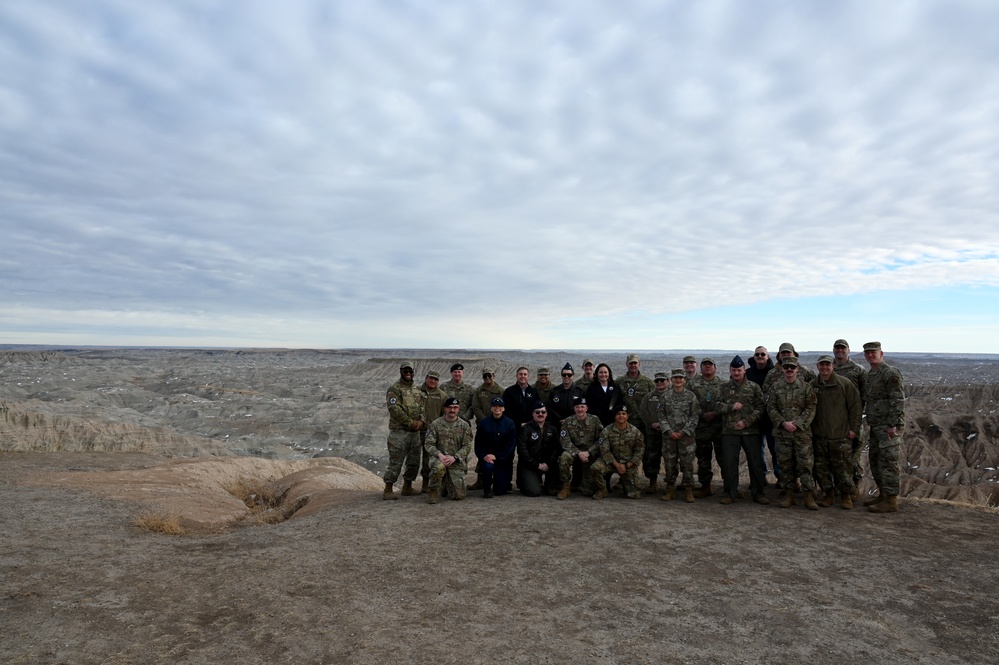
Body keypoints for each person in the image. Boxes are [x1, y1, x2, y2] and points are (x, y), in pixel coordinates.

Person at [715, 356, 768, 505]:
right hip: (730, 432)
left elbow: (761, 407)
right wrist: (730, 407)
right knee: (730, 464)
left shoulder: (754, 387)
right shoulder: (723, 387)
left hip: (750, 431)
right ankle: (730, 493)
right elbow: (717, 406)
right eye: (734, 370)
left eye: (739, 370)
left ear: (744, 370)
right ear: (730, 371)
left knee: (755, 463)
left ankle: (758, 493)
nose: (736, 373)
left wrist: (747, 422)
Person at [812, 355, 863, 509]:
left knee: (843, 469)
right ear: (817, 366)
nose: (824, 368)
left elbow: (856, 407)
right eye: (822, 365)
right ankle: (829, 494)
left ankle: (846, 496)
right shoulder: (812, 385)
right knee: (822, 468)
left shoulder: (844, 384)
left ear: (832, 366)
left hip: (840, 436)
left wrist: (854, 429)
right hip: (820, 435)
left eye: (827, 365)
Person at [767, 357, 819, 510]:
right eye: (786, 367)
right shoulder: (775, 388)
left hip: (802, 434)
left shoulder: (806, 388)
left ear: (797, 369)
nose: (789, 370)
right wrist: (783, 422)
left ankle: (808, 495)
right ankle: (789, 494)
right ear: (782, 369)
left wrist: (798, 424)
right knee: (786, 465)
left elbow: (811, 408)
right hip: (783, 434)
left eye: (792, 367)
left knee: (806, 465)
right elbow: (771, 408)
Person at [863, 342, 906, 513]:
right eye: (868, 353)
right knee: (876, 461)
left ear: (882, 353)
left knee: (888, 463)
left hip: (888, 427)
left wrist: (892, 424)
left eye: (874, 352)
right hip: (876, 426)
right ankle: (883, 494)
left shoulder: (889, 373)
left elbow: (897, 400)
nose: (871, 355)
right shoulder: (872, 374)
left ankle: (891, 500)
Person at [383, 361, 425, 500]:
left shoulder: (416, 389)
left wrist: (421, 421)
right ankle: (388, 489)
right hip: (399, 432)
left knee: (413, 462)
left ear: (413, 372)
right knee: (396, 461)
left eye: (410, 371)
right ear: (401, 371)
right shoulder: (394, 389)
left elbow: (422, 407)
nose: (408, 374)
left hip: (415, 433)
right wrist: (410, 422)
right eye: (405, 371)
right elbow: (394, 409)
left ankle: (407, 486)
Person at [832, 339, 869, 492]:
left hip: (852, 420)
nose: (840, 351)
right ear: (833, 350)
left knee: (854, 456)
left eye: (843, 348)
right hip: (833, 421)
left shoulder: (857, 370)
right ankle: (838, 489)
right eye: (837, 348)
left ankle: (855, 489)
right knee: (836, 456)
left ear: (848, 350)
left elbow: (865, 395)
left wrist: (856, 417)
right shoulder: (829, 368)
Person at [658, 369, 699, 503]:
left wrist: (683, 431)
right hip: (669, 437)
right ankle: (670, 489)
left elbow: (694, 416)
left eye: (680, 378)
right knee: (670, 463)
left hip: (686, 437)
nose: (678, 380)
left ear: (684, 380)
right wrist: (669, 431)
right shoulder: (665, 396)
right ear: (671, 379)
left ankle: (688, 490)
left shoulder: (691, 396)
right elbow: (661, 415)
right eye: (675, 378)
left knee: (687, 463)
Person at [687, 358, 725, 497]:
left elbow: (727, 403)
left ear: (715, 367)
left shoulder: (723, 384)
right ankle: (706, 486)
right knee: (703, 458)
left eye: (710, 365)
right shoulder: (692, 384)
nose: (707, 367)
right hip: (701, 427)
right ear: (701, 368)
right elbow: (689, 404)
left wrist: (715, 413)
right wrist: (702, 414)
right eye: (705, 365)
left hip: (719, 427)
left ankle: (729, 486)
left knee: (724, 458)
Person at [424, 397, 473, 504]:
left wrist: (455, 457)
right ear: (445, 409)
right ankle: (433, 491)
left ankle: (446, 484)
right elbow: (428, 444)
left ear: (458, 409)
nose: (452, 410)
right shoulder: (435, 424)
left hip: (456, 461)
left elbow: (467, 446)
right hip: (439, 459)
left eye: (455, 408)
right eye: (450, 407)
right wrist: (440, 455)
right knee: (438, 468)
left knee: (458, 496)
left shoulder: (464, 425)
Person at [590, 404, 645, 500]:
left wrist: (627, 465)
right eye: (618, 414)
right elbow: (605, 451)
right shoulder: (606, 431)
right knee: (595, 468)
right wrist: (617, 465)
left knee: (634, 495)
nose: (621, 416)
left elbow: (639, 451)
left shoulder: (636, 432)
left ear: (628, 416)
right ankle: (602, 489)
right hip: (610, 462)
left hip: (628, 464)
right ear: (614, 416)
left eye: (624, 414)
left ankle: (625, 484)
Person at [556, 396, 603, 498]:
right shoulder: (568, 421)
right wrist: (578, 452)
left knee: (588, 492)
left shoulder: (595, 420)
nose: (580, 409)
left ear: (586, 408)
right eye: (577, 407)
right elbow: (564, 440)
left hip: (589, 453)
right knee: (564, 458)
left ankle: (583, 484)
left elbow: (600, 440)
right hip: (574, 451)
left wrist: (589, 452)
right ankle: (565, 487)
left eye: (582, 407)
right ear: (574, 408)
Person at [746, 346, 779, 486]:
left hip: (772, 418)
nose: (760, 356)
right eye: (757, 354)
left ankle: (781, 477)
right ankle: (761, 477)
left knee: (776, 450)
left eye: (762, 354)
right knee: (757, 451)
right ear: (754, 357)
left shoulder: (775, 373)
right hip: (755, 419)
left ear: (768, 357)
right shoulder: (747, 373)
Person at [516, 401, 562, 497]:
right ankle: (524, 482)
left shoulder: (552, 428)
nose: (540, 414)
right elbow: (522, 450)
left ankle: (548, 484)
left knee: (553, 491)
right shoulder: (526, 429)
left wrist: (548, 463)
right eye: (537, 412)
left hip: (547, 464)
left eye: (543, 412)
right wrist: (536, 464)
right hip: (530, 464)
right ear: (533, 414)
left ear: (546, 414)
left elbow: (556, 448)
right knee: (534, 492)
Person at [474, 397, 517, 498]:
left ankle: (499, 481)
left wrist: (497, 456)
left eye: (500, 406)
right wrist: (484, 456)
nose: (497, 408)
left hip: (502, 459)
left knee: (500, 491)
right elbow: (478, 444)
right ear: (491, 408)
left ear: (504, 409)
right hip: (488, 459)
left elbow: (510, 446)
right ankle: (487, 488)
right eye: (495, 406)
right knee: (488, 467)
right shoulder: (484, 423)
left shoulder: (509, 424)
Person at [638, 371, 670, 494]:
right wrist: (652, 423)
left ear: (668, 381)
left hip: (668, 433)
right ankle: (653, 482)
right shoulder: (649, 397)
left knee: (670, 458)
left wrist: (664, 425)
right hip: (652, 432)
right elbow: (643, 411)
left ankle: (670, 484)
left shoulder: (673, 396)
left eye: (662, 380)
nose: (660, 383)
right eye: (657, 381)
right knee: (652, 457)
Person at [418, 370, 448, 494]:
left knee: (428, 458)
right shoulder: (417, 392)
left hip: (432, 432)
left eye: (436, 379)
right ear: (426, 378)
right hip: (416, 430)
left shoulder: (442, 396)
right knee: (413, 458)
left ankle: (426, 484)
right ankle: (407, 485)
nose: (433, 381)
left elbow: (444, 415)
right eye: (431, 378)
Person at [584, 362, 620, 427]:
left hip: (613, 422)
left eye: (605, 372)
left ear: (609, 373)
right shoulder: (591, 388)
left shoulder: (615, 388)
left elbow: (619, 403)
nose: (603, 374)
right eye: (601, 372)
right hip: (596, 422)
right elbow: (588, 406)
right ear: (597, 374)